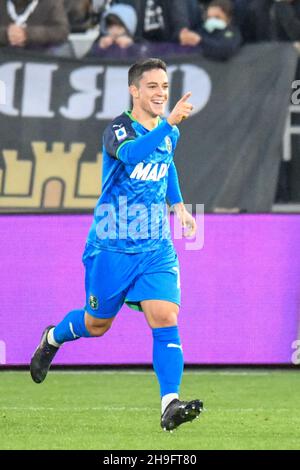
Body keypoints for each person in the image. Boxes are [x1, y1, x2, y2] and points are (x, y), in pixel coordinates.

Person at [30, 58, 204, 432]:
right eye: (152, 87)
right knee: (96, 325)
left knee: (165, 316)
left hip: (155, 246)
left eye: (164, 86)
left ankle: (169, 402)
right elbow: (133, 155)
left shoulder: (169, 133)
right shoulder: (118, 131)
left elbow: (167, 163)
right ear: (134, 90)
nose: (160, 94)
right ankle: (52, 337)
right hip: (111, 247)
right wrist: (170, 124)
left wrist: (179, 206)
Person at [0, 0, 69, 50]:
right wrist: (6, 33)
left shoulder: (51, 2)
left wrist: (27, 34)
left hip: (41, 58)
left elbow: (61, 31)